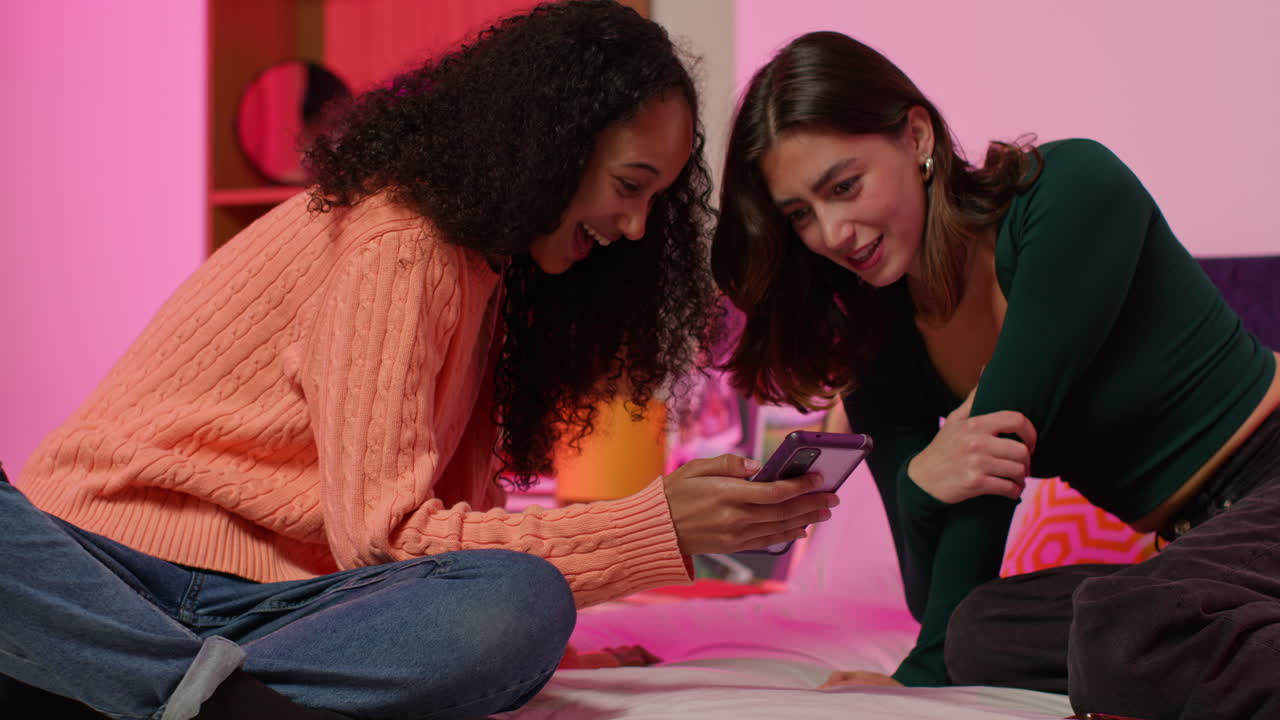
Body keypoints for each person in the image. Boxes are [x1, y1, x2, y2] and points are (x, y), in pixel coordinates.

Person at [1, 3, 839, 719]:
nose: (632, 228)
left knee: (522, 603)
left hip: (265, 609)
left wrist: (532, 648)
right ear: (551, 146)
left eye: (654, 201)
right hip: (112, 569)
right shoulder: (401, 244)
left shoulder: (489, 273)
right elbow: (387, 542)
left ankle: (160, 690)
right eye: (629, 185)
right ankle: (180, 687)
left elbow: (449, 561)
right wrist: (655, 526)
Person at [711, 29, 1280, 720]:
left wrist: (918, 680)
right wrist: (919, 486)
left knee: (1123, 631)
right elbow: (941, 598)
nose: (833, 233)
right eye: (801, 214)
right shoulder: (882, 352)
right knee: (981, 634)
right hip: (1205, 554)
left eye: (845, 186)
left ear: (917, 137)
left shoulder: (1070, 194)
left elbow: (1000, 437)